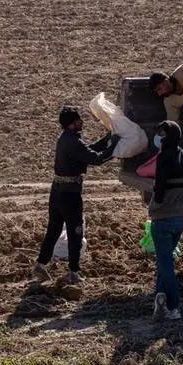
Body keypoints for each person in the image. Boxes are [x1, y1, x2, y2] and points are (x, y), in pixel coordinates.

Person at [31, 106, 120, 284]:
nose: (82, 122)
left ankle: (40, 265)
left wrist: (108, 139)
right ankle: (73, 272)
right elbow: (96, 158)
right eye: (79, 119)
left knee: (54, 229)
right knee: (75, 231)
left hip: (57, 191)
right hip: (69, 194)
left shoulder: (66, 138)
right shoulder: (73, 141)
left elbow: (87, 151)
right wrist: (116, 146)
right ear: (72, 124)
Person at [147, 120, 183, 321]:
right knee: (165, 262)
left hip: (162, 218)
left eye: (162, 134)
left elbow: (159, 187)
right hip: (177, 218)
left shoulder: (164, 157)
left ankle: (174, 308)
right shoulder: (181, 154)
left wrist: (155, 203)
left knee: (166, 267)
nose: (159, 138)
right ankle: (160, 302)